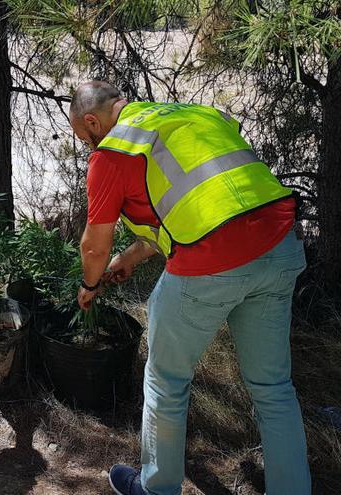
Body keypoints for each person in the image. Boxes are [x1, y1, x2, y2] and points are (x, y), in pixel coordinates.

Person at [69, 81, 311, 495]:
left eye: (86, 139)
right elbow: (207, 207)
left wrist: (89, 285)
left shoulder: (113, 151)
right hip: (279, 249)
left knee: (166, 378)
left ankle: (156, 486)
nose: (91, 146)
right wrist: (128, 259)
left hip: (209, 266)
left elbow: (93, 245)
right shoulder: (197, 115)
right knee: (273, 388)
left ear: (92, 120)